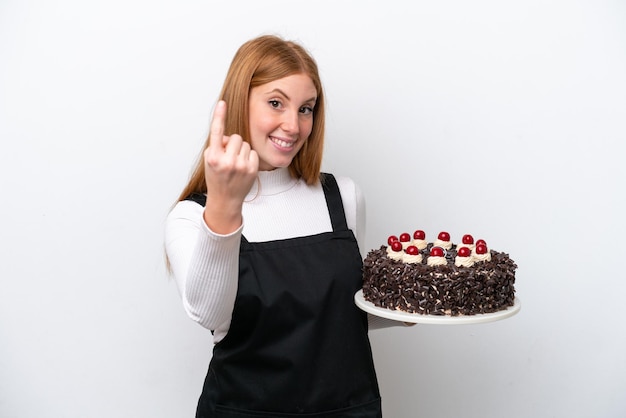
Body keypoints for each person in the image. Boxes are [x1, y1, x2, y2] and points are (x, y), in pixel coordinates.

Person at [165, 34, 403, 418]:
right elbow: (211, 316)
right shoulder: (192, 217)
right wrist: (226, 204)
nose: (293, 125)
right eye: (276, 103)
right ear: (240, 102)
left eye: (306, 109)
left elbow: (341, 310)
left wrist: (421, 300)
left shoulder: (343, 198)